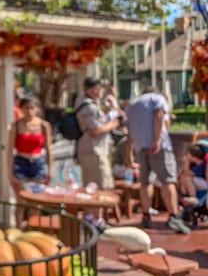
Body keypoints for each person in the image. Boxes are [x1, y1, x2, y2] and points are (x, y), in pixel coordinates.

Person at [125, 87, 190, 234]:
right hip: (158, 147)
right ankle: (174, 216)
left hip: (140, 147)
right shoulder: (157, 99)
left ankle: (146, 215)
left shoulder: (133, 105)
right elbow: (159, 115)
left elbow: (129, 132)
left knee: (145, 182)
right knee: (168, 180)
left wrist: (128, 155)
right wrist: (158, 140)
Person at [74, 77, 119, 190]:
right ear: (94, 89)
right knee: (99, 186)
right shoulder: (88, 107)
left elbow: (95, 121)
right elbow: (94, 131)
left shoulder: (84, 103)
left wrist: (104, 112)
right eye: (101, 88)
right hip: (94, 150)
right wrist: (112, 124)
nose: (102, 91)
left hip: (95, 149)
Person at [9, 96, 53, 191]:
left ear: (37, 109)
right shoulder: (16, 126)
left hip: (38, 163)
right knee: (21, 197)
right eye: (26, 108)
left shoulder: (44, 125)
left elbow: (48, 149)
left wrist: (50, 170)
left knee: (37, 198)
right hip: (21, 162)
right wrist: (10, 173)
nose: (29, 112)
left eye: (32, 108)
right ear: (21, 109)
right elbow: (10, 151)